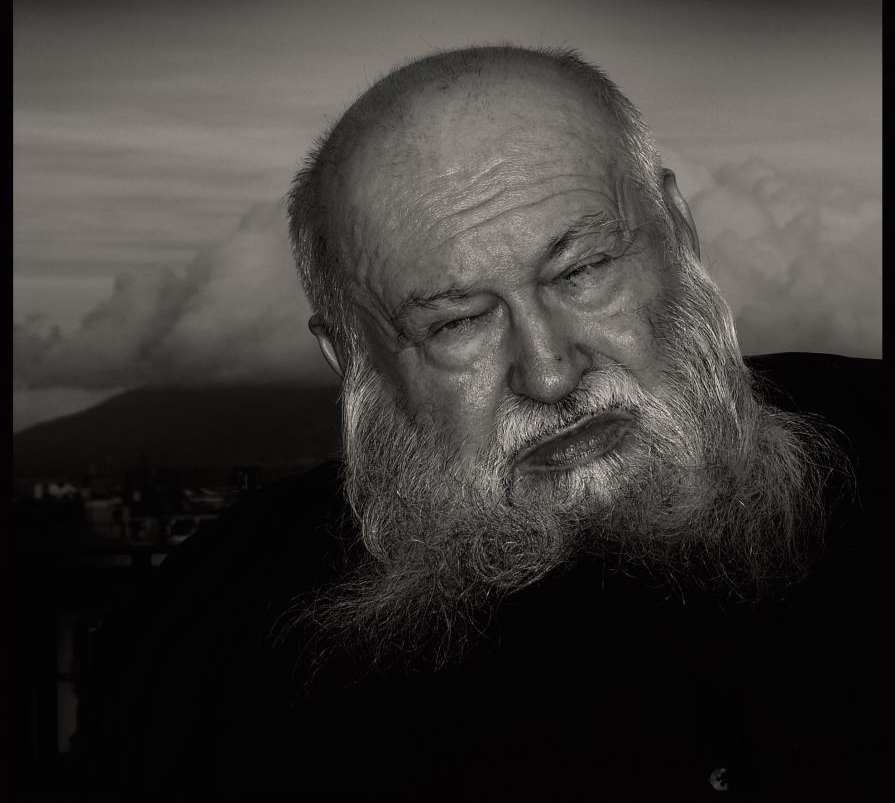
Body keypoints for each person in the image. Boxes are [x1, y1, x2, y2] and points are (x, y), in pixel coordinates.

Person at [80, 46, 882, 794]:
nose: (548, 372)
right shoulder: (202, 657)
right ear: (351, 355)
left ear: (676, 230)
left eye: (582, 269)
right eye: (457, 320)